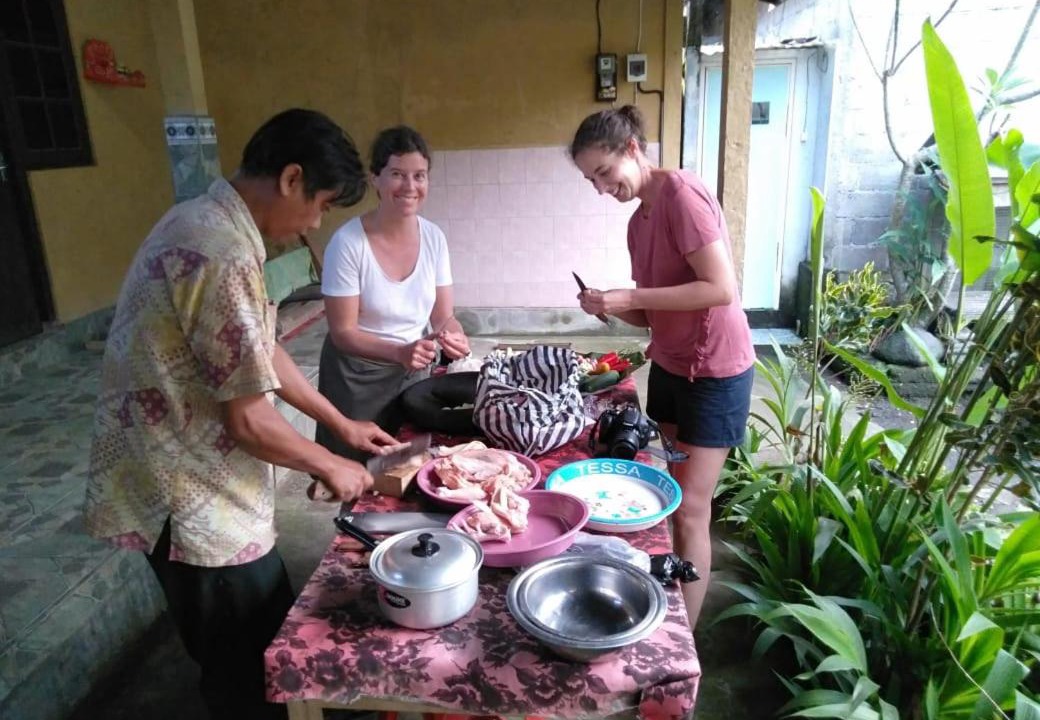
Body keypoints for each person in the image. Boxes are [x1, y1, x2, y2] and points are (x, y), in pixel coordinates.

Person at [85, 108, 398, 720]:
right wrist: (331, 463)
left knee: (262, 638)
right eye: (320, 204)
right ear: (290, 178)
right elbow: (248, 420)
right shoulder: (218, 249)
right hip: (192, 495)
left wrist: (341, 425)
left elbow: (259, 349)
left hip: (202, 482)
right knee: (244, 669)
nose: (314, 223)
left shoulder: (209, 221)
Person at [568, 105, 755, 631]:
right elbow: (654, 311)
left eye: (604, 172)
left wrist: (630, 293)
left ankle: (683, 640)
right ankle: (672, 602)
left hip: (714, 372)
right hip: (672, 368)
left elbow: (720, 288)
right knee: (670, 495)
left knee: (693, 508)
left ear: (632, 149)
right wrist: (608, 304)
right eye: (591, 180)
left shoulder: (681, 194)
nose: (602, 188)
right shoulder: (638, 222)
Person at [316, 125, 470, 458]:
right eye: (398, 174)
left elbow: (443, 317)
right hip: (356, 379)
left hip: (412, 375)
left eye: (420, 175)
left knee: (403, 468)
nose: (410, 186)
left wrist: (454, 337)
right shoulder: (347, 243)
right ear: (376, 179)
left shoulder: (434, 238)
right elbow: (343, 332)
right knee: (356, 473)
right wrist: (399, 352)